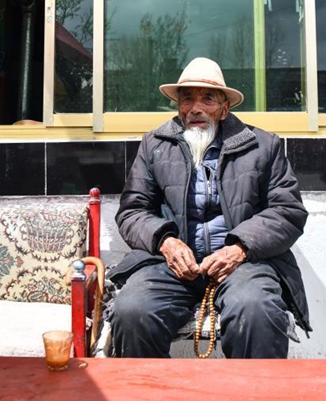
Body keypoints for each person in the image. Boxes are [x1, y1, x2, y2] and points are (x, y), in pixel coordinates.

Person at [110, 57, 310, 358]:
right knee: (132, 310)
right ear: (178, 106)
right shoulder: (155, 145)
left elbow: (287, 211)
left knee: (256, 309)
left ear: (225, 107)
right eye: (187, 98)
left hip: (244, 265)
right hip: (171, 267)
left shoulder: (263, 146)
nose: (196, 108)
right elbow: (132, 211)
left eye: (208, 98)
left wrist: (239, 248)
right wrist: (166, 243)